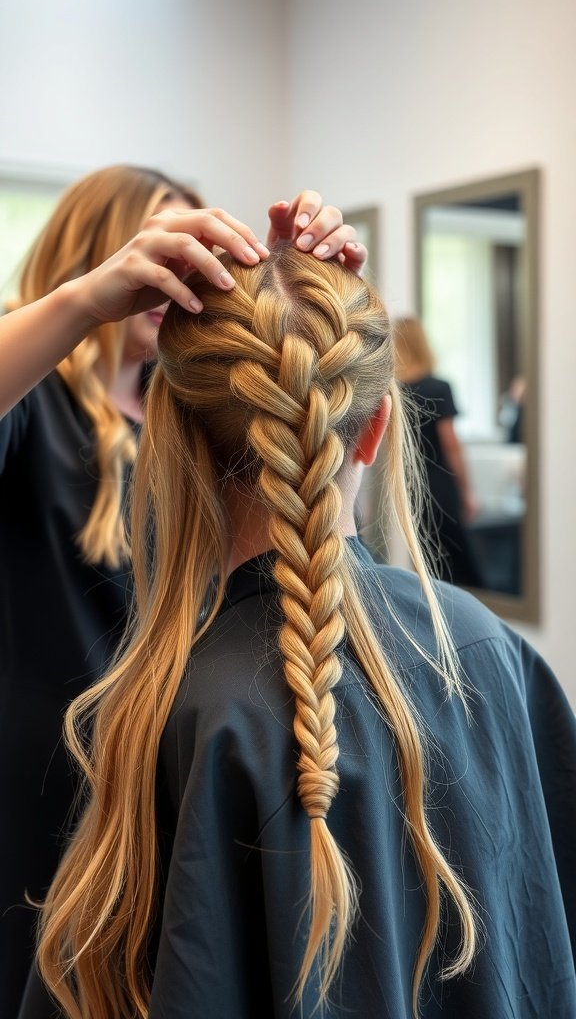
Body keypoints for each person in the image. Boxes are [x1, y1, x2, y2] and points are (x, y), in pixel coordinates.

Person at [23, 244, 575, 1019]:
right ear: (377, 427)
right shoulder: (486, 647)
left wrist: (78, 302)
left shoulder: (172, 709)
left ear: (172, 439)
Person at [0, 164, 365, 1018]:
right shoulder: (36, 404)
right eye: (162, 255)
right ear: (107, 255)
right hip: (54, 770)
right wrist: (83, 302)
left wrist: (285, 303)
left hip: (182, 744)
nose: (175, 282)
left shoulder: (178, 412)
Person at [393, 315, 484, 588]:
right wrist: (467, 491)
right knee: (462, 562)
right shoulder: (439, 387)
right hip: (441, 484)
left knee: (426, 560)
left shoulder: (395, 390)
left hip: (411, 485)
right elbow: (451, 447)